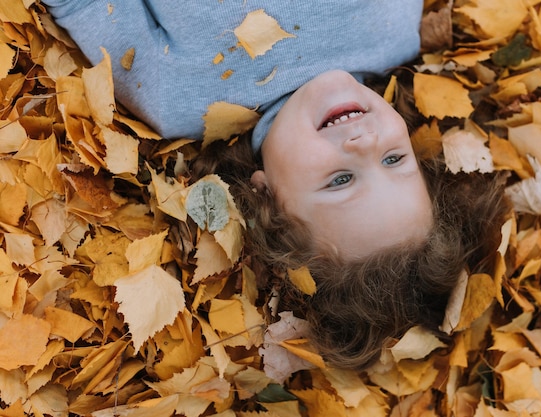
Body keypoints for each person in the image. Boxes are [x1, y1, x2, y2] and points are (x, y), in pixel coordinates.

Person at [43, 0, 510, 369]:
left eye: (341, 179)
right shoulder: (394, 32)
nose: (365, 142)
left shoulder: (178, 96)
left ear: (265, 196)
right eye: (394, 158)